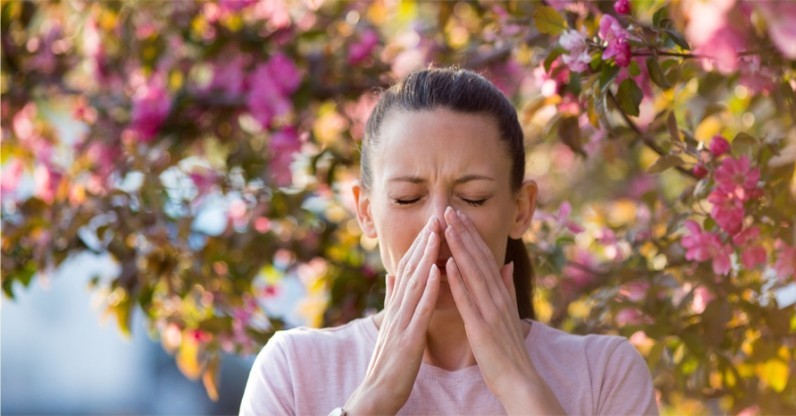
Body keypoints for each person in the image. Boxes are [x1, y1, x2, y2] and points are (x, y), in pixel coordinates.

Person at [239, 67, 659, 415]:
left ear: (521, 209)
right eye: (407, 198)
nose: (439, 222)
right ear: (366, 212)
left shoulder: (603, 372)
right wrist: (377, 395)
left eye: (473, 198)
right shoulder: (295, 370)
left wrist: (520, 386)